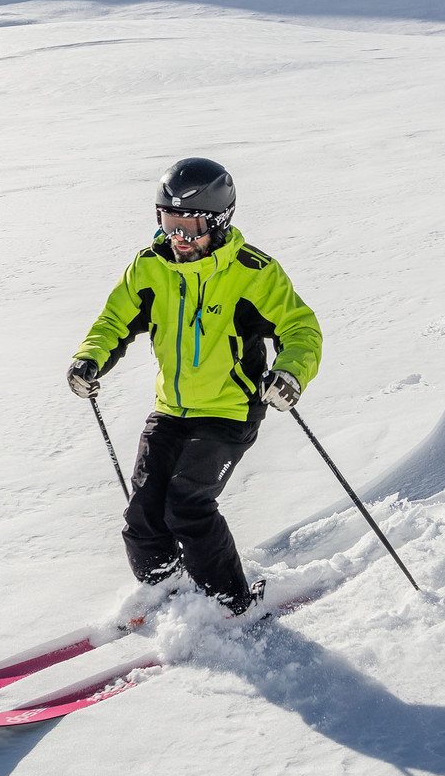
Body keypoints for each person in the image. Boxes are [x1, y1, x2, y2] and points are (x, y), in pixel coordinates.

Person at [67, 156, 322, 615]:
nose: (178, 239)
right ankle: (164, 585)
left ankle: (232, 603)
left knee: (187, 506)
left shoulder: (253, 272)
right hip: (171, 409)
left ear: (220, 222)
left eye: (190, 227)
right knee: (143, 515)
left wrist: (290, 373)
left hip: (229, 411)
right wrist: (90, 358)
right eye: (168, 224)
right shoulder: (149, 267)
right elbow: (114, 320)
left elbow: (301, 329)